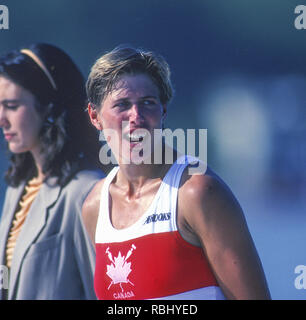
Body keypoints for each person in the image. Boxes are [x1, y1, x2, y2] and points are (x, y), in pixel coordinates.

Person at [82, 45, 271, 300]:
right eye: (122, 105)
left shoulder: (197, 192)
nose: (136, 116)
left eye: (148, 103)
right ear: (95, 116)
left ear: (164, 111)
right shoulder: (94, 206)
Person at [0, 43, 105, 299]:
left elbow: (100, 293)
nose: (1, 118)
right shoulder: (19, 187)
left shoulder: (85, 191)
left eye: (12, 106)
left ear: (49, 106)